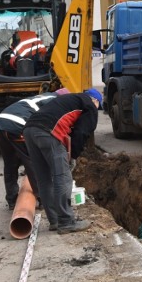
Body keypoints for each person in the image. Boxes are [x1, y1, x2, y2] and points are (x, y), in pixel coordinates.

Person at [23, 88, 102, 234]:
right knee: (62, 177)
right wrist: (73, 157)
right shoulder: (89, 105)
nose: (97, 110)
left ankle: (55, 221)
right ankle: (66, 222)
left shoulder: (68, 100)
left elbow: (70, 129)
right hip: (48, 131)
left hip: (29, 130)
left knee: (44, 179)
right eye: (99, 106)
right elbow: (81, 133)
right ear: (95, 101)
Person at [0, 88, 69, 211]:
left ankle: (12, 200)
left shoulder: (42, 97)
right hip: (17, 125)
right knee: (32, 162)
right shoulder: (55, 101)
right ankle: (43, 199)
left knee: (10, 164)